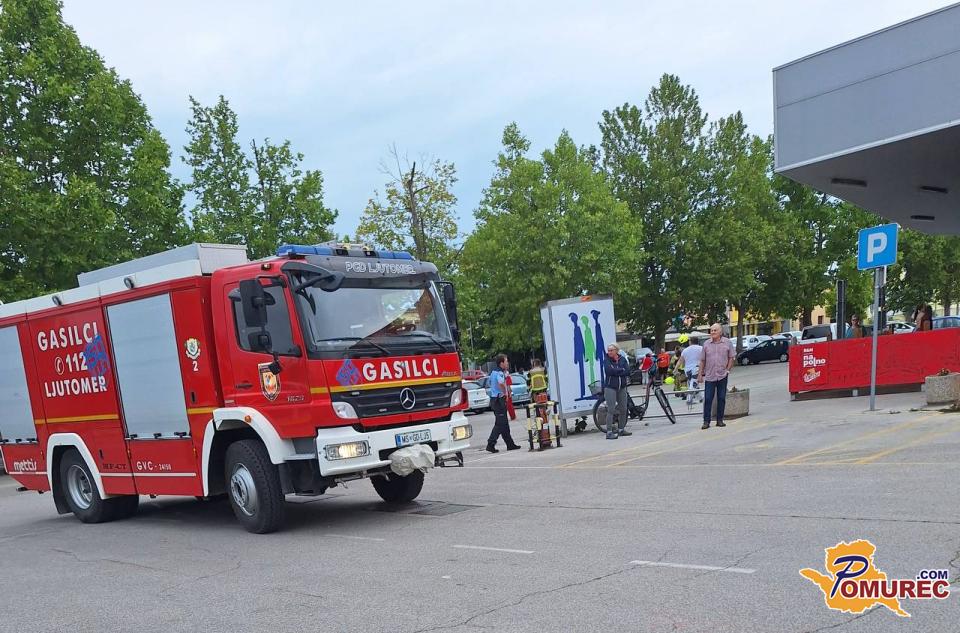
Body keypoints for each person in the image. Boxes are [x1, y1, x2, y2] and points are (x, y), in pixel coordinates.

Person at [697, 323, 735, 430]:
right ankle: (706, 421)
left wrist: (728, 370)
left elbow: (732, 357)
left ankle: (720, 420)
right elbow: (702, 360)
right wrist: (700, 374)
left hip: (722, 375)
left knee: (721, 398)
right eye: (711, 330)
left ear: (720, 332)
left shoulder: (727, 342)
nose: (712, 332)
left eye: (715, 330)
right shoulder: (706, 344)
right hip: (710, 376)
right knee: (708, 398)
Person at [486, 354, 521, 453]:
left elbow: (490, 382)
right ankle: (490, 444)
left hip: (495, 399)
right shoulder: (499, 373)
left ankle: (510, 444)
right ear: (501, 363)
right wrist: (505, 393)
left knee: (504, 423)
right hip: (499, 400)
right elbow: (501, 383)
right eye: (506, 361)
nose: (507, 363)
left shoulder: (493, 372)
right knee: (500, 424)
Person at [603, 343, 632, 439]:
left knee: (623, 409)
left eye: (611, 350)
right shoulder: (606, 360)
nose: (609, 352)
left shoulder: (622, 359)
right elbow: (608, 371)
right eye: (608, 350)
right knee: (611, 409)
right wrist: (621, 370)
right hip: (610, 387)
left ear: (616, 350)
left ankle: (621, 429)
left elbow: (627, 371)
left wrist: (616, 370)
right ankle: (609, 432)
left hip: (622, 387)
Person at [681, 337, 704, 402]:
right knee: (693, 384)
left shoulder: (685, 350)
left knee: (693, 384)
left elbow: (681, 360)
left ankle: (701, 398)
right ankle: (689, 399)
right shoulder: (701, 348)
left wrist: (676, 369)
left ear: (690, 342)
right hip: (696, 368)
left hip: (687, 370)